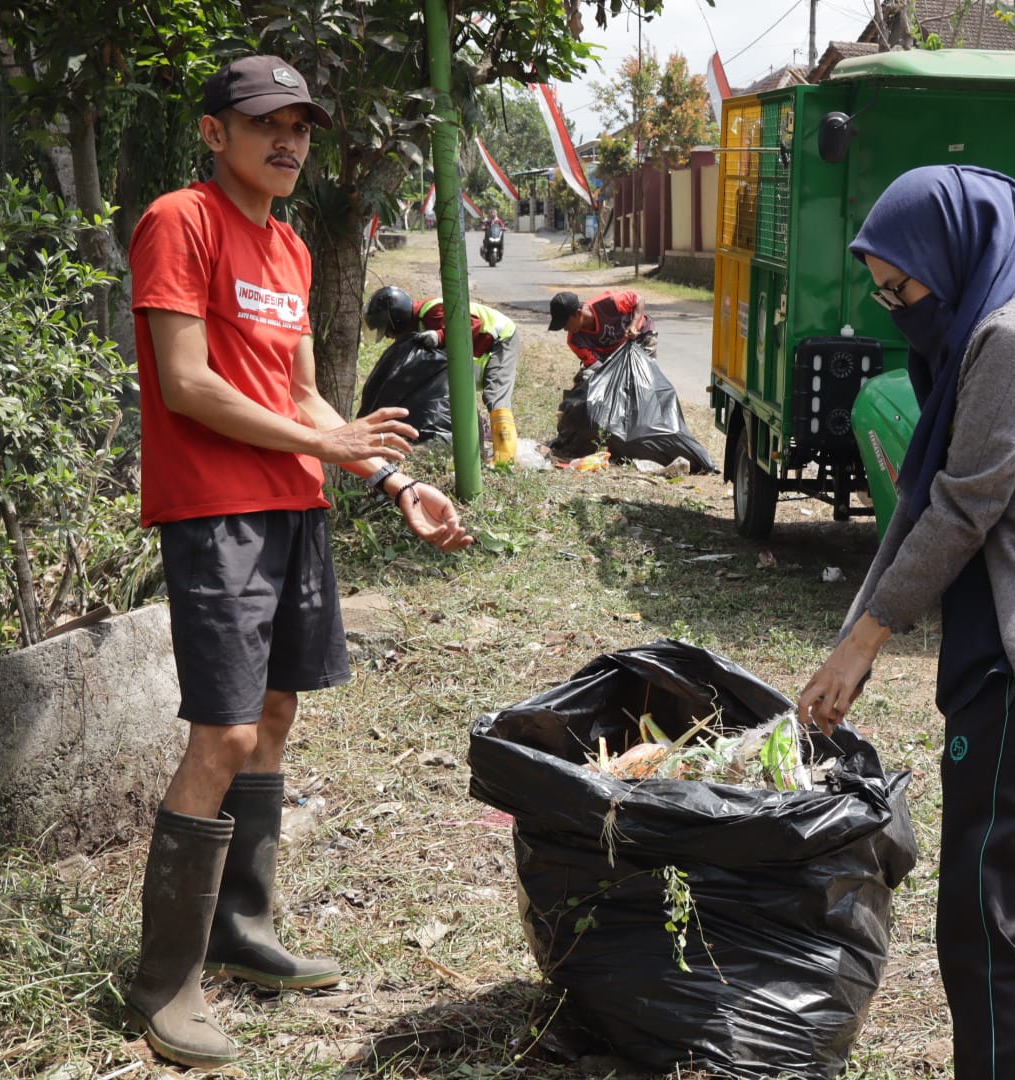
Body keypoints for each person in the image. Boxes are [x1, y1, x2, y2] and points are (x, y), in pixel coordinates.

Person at [125, 55, 473, 1070]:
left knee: (276, 715)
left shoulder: (290, 250)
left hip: (292, 507)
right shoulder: (179, 222)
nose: (288, 140)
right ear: (213, 133)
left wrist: (394, 482)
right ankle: (166, 982)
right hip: (216, 511)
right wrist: (323, 442)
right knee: (226, 731)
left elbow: (310, 399)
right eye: (264, 121)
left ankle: (241, 929)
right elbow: (186, 385)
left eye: (301, 126)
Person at [796, 165, 1015, 1080]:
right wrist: (851, 640)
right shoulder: (983, 333)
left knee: (986, 926)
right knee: (1002, 914)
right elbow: (919, 506)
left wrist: (868, 639)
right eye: (882, 291)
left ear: (957, 252)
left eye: (903, 288)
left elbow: (961, 511)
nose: (896, 308)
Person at [362, 289, 522, 464]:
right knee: (461, 395)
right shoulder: (417, 326)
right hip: (477, 346)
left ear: (397, 320)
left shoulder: (432, 311)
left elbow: (471, 324)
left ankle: (505, 458)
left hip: (501, 338)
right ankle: (479, 451)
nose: (387, 336)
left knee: (495, 395)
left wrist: (439, 335)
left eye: (387, 330)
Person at [547, 288, 657, 368]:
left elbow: (639, 299)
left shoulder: (610, 301)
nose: (566, 329)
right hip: (611, 354)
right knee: (585, 380)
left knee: (645, 373)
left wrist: (633, 324)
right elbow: (597, 367)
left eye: (566, 324)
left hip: (641, 336)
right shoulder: (575, 341)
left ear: (578, 313)